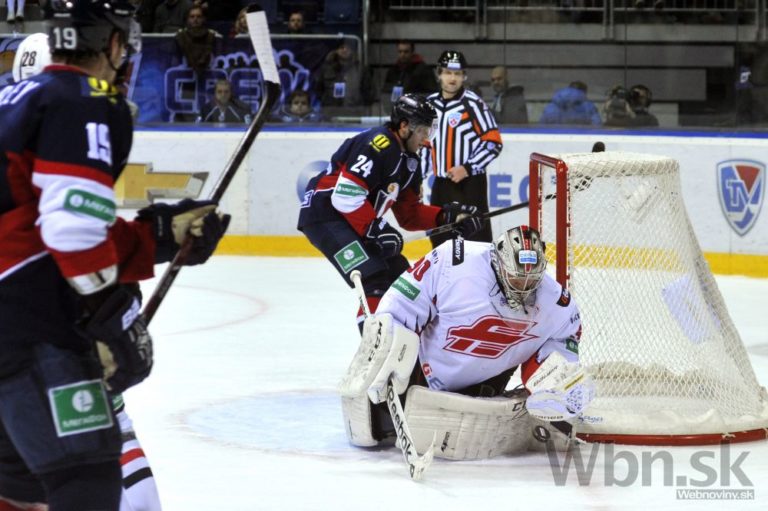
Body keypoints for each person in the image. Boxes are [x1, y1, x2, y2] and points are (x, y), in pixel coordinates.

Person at [0, 2, 230, 510]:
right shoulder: (84, 97)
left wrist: (156, 235)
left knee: (20, 486)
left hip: (14, 314)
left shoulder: (11, 100)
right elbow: (71, 230)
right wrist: (108, 315)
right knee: (85, 478)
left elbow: (34, 225)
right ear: (112, 44)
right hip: (24, 323)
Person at [340, 226, 593, 458]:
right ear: (498, 262)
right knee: (373, 430)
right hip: (422, 373)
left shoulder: (558, 303)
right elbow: (403, 302)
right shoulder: (454, 261)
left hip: (483, 388)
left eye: (532, 280)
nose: (524, 288)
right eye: (516, 279)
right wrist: (392, 347)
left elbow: (565, 340)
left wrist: (554, 378)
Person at [297, 94, 482, 326]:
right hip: (326, 216)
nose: (427, 139)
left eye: (429, 131)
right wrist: (376, 228)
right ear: (404, 126)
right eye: (423, 131)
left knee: (403, 279)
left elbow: (409, 215)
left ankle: (405, 340)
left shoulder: (410, 163)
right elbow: (345, 195)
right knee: (374, 278)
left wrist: (447, 217)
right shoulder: (378, 143)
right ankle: (374, 342)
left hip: (353, 220)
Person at [422, 50, 502, 248]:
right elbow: (424, 144)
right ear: (439, 74)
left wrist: (467, 167)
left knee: (476, 240)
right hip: (441, 185)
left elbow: (493, 143)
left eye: (457, 74)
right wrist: (417, 179)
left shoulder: (473, 103)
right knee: (439, 240)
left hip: (470, 185)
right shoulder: (429, 104)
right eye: (448, 73)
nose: (452, 78)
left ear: (464, 76)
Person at [313, 39, 375, 117]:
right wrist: (326, 103)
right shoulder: (326, 69)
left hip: (355, 113)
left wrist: (361, 107)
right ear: (336, 50)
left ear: (352, 50)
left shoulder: (362, 70)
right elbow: (318, 90)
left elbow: (368, 92)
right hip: (331, 113)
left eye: (348, 48)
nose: (345, 50)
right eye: (341, 47)